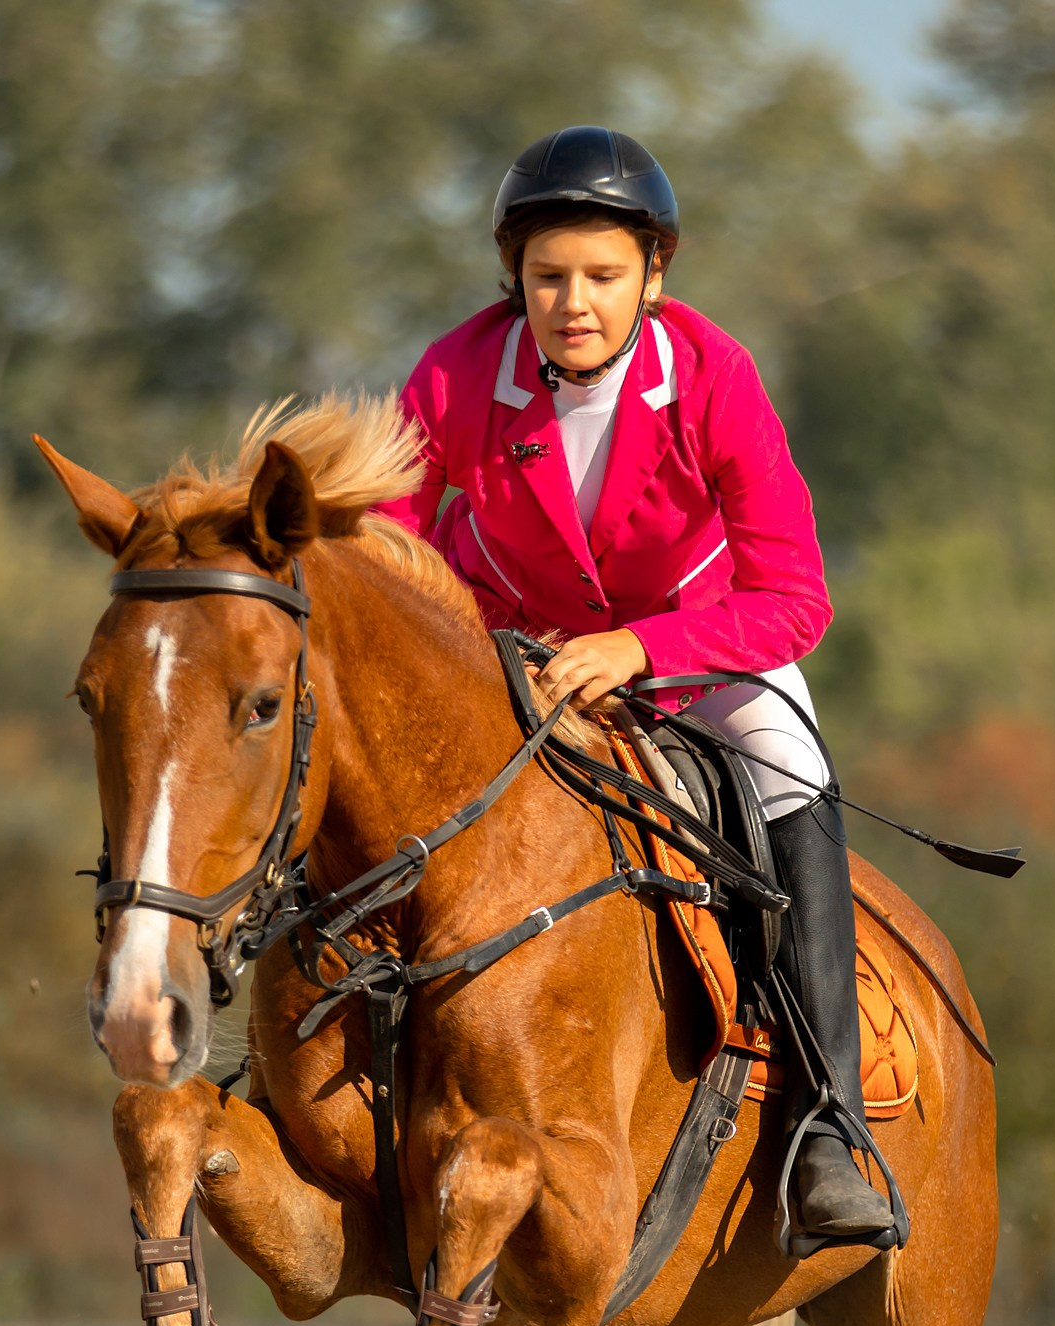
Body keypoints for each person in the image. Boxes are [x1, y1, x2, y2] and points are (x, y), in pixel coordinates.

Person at [373, 125, 896, 1251]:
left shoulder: (712, 375)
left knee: (792, 764)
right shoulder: (456, 375)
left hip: (703, 658)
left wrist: (642, 649)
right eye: (548, 276)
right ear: (513, 275)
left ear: (655, 273)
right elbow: (388, 549)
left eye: (603, 277)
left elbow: (795, 599)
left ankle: (827, 1126)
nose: (573, 302)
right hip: (517, 663)